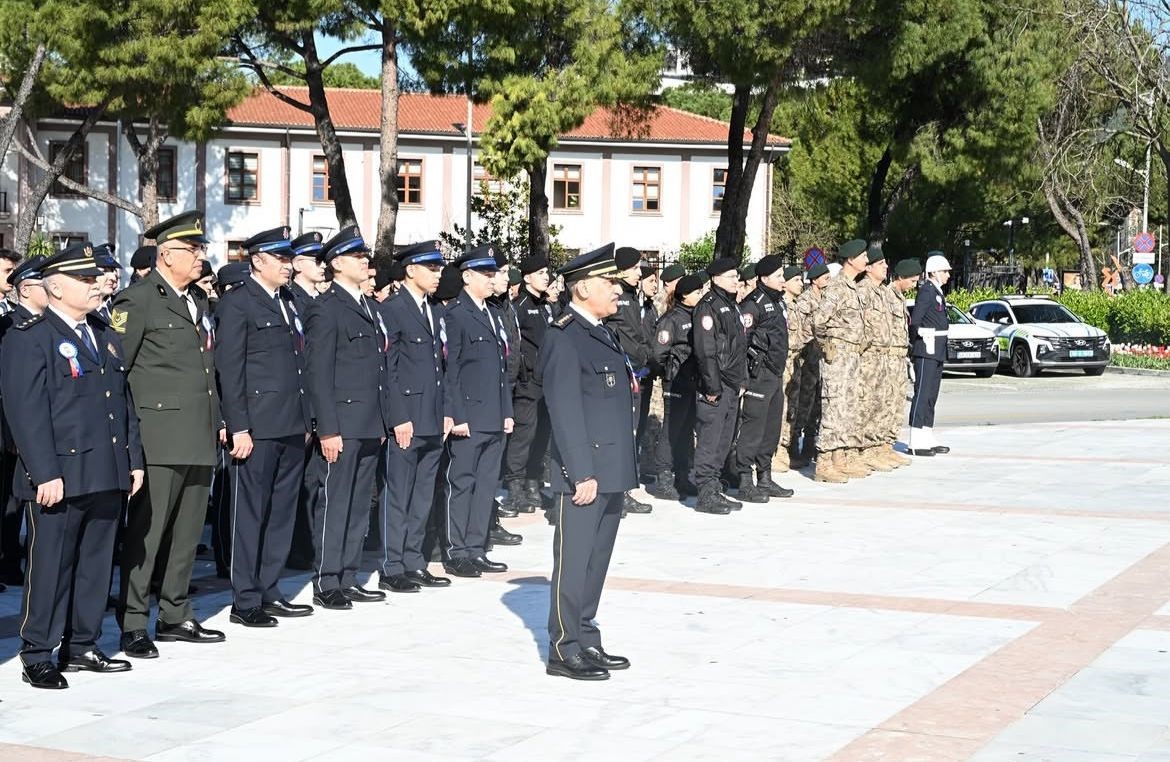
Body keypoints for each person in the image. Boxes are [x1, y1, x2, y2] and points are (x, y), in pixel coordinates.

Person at [1, 243, 145, 689]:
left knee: (96, 565)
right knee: (51, 567)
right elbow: (26, 413)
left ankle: (82, 644)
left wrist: (133, 459)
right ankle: (37, 652)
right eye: (85, 279)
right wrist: (44, 472)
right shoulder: (30, 337)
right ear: (57, 288)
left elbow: (123, 403)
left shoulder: (103, 333)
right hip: (59, 476)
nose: (96, 284)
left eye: (94, 277)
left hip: (106, 469)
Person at [114, 211, 225, 658]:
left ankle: (175, 613)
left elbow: (206, 370)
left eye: (201, 249)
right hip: (158, 436)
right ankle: (133, 621)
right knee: (148, 533)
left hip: (199, 432)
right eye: (192, 250)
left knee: (187, 533)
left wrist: (218, 420)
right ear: (166, 255)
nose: (200, 257)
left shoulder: (197, 300)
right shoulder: (137, 300)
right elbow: (119, 373)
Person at [539, 243, 636, 681]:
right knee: (574, 562)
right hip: (584, 474)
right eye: (608, 282)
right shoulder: (564, 337)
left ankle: (586, 637)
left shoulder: (601, 332)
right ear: (581, 289)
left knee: (596, 562)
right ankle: (563, 647)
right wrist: (582, 472)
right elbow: (564, 411)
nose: (617, 289)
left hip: (611, 469)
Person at [214, 227, 314, 627]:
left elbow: (300, 364)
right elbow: (230, 369)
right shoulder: (238, 303)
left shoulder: (288, 301)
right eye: (281, 259)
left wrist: (306, 418)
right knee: (250, 515)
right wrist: (238, 426)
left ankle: (270, 589)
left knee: (281, 513)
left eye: (290, 259)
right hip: (257, 426)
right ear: (258, 261)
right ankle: (245, 599)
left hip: (291, 423)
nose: (288, 266)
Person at [304, 225, 388, 609]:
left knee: (358, 505)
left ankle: (349, 576)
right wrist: (327, 428)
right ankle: (327, 580)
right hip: (341, 425)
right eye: (357, 256)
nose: (365, 261)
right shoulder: (326, 307)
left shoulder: (368, 306)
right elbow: (318, 373)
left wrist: (383, 422)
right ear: (337, 264)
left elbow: (378, 370)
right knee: (335, 503)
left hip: (368, 423)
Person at [374, 240, 452, 593]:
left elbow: (442, 366)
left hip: (433, 416)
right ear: (410, 270)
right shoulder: (392, 309)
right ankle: (392, 566)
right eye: (431, 268)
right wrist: (398, 416)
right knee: (398, 494)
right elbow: (388, 369)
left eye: (439, 268)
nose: (438, 274)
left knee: (422, 495)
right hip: (407, 418)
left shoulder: (434, 309)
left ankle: (414, 560)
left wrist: (448, 411)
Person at [441, 246, 514, 578]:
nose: (491, 279)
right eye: (485, 274)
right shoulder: (456, 314)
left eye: (492, 274)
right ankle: (457, 551)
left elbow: (501, 370)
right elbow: (451, 370)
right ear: (467, 277)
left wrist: (507, 411)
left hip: (494, 416)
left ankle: (476, 547)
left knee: (486, 486)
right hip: (469, 417)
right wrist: (457, 416)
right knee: (462, 484)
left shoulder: (493, 313)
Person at [0, 257, 52, 590]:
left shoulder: (43, 323)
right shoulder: (12, 325)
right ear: (27, 289)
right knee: (9, 499)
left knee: (16, 500)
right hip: (11, 426)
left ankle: (10, 559)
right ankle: (7, 561)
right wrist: (12, 431)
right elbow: (10, 386)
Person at [811, 240, 871, 483]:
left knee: (847, 409)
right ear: (851, 259)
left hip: (852, 357)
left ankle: (839, 458)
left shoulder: (852, 287)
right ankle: (824, 463)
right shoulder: (837, 287)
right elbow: (818, 320)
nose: (867, 260)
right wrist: (827, 346)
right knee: (834, 408)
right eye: (863, 256)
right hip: (838, 357)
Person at [735, 255, 794, 501]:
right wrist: (745, 375)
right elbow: (741, 341)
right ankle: (744, 480)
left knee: (771, 428)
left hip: (775, 374)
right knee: (753, 427)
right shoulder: (753, 304)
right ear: (764, 278)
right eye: (778, 276)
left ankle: (765, 477)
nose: (783, 280)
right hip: (758, 375)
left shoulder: (778, 301)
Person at [690, 257, 745, 514]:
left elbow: (738, 346)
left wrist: (742, 380)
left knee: (724, 439)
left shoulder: (730, 305)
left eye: (737, 276)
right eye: (731, 276)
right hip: (717, 384)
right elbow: (706, 351)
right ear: (716, 278)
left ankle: (715, 487)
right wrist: (712, 387)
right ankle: (705, 493)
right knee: (710, 440)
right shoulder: (708, 306)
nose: (737, 280)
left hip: (732, 383)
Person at [604, 247, 653, 515]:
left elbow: (637, 333)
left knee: (630, 434)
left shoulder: (632, 295)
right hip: (623, 372)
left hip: (636, 371)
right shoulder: (617, 295)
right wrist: (638, 355)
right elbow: (619, 335)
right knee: (621, 435)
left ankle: (623, 491)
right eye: (634, 268)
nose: (639, 273)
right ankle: (617, 493)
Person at [503, 255, 553, 514]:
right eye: (541, 272)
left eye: (547, 272)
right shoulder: (519, 306)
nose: (546, 277)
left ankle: (533, 482)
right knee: (524, 435)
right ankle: (515, 487)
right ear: (527, 277)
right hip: (527, 382)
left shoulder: (546, 307)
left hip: (547, 382)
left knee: (542, 434)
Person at [647, 273, 703, 500]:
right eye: (697, 292)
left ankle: (682, 475)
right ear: (685, 295)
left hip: (692, 381)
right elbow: (658, 354)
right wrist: (668, 371)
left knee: (686, 431)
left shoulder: (696, 315)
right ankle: (663, 478)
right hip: (676, 381)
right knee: (672, 429)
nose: (700, 295)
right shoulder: (671, 319)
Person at [857, 246, 901, 472]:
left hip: (883, 357)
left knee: (881, 403)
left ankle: (879, 447)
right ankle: (865, 450)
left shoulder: (882, 292)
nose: (886, 267)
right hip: (867, 358)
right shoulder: (862, 291)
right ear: (869, 268)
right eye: (881, 263)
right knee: (866, 404)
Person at [908, 253, 952, 456]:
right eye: (945, 271)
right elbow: (915, 320)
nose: (948, 275)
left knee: (931, 396)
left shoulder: (937, 291)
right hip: (927, 348)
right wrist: (918, 339)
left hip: (937, 348)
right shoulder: (927, 290)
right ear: (933, 272)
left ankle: (926, 434)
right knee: (922, 393)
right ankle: (915, 439)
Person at [786, 263, 829, 468]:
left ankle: (810, 446)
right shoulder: (804, 301)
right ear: (815, 280)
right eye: (825, 278)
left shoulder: (826, 300)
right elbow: (801, 331)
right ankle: (794, 445)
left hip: (820, 360)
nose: (828, 281)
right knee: (803, 404)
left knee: (817, 405)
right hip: (806, 360)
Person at [776, 265, 805, 470]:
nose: (801, 283)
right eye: (796, 280)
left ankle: (785, 447)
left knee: (792, 407)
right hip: (783, 361)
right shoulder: (780, 305)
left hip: (796, 360)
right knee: (782, 406)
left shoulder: (795, 306)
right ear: (785, 284)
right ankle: (774, 450)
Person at [92, 243, 122, 323]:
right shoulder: (83, 311)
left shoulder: (119, 303)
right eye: (104, 271)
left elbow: (121, 330)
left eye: (112, 270)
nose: (113, 277)